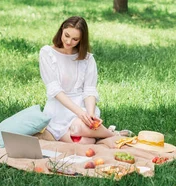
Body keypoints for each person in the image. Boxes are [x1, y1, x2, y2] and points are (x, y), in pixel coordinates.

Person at [37, 16, 131, 144]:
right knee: (84, 141)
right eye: (66, 35)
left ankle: (103, 134)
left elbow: (89, 90)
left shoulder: (87, 59)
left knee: (79, 127)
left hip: (82, 106)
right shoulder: (47, 53)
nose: (69, 41)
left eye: (75, 39)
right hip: (59, 107)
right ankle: (112, 135)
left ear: (82, 40)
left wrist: (90, 114)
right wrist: (80, 113)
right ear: (61, 30)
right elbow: (55, 90)